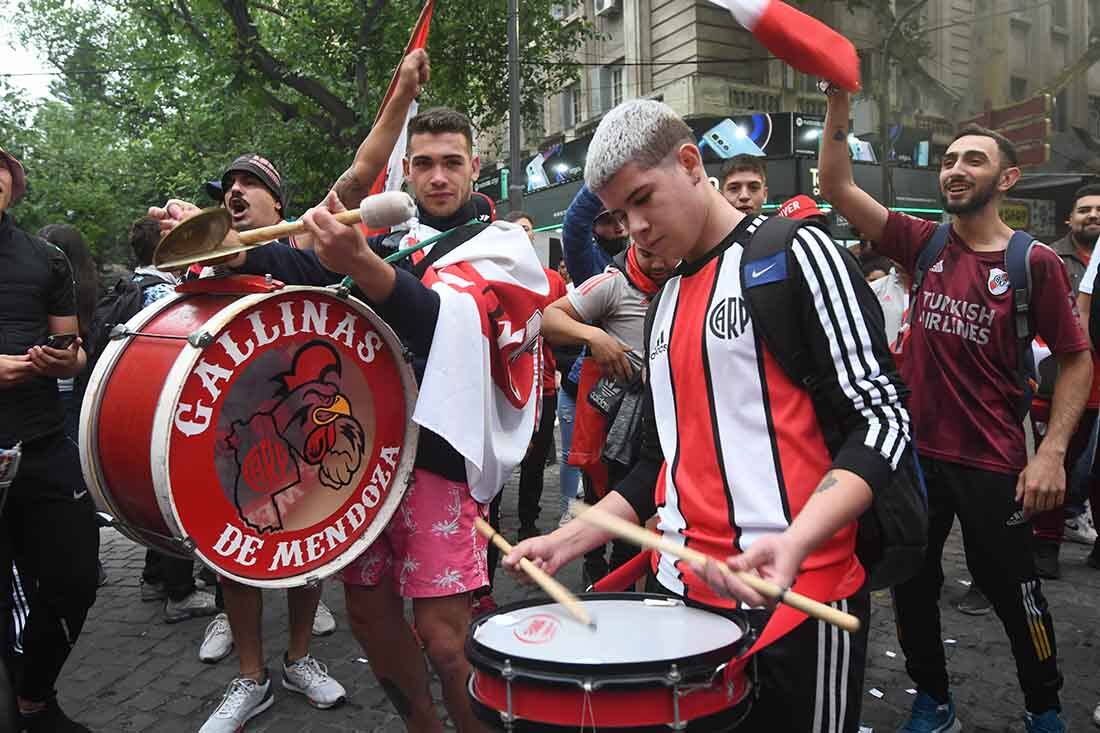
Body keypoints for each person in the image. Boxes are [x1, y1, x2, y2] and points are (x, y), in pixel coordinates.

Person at [506, 99, 911, 732]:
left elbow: (882, 420)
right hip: (681, 602)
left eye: (643, 199)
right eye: (619, 214)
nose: (634, 227)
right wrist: (572, 536)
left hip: (798, 603)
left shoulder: (793, 253)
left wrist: (797, 542)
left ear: (691, 163)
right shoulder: (663, 299)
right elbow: (660, 465)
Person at [818, 87, 1089, 733]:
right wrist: (837, 104)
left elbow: (1078, 358)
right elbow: (835, 183)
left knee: (1014, 593)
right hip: (915, 460)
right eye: (949, 160)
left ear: (1006, 177)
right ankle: (933, 698)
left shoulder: (1035, 262)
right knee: (911, 589)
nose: (956, 169)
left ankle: (1043, 705)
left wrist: (1050, 451)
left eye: (972, 159)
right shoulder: (923, 242)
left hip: (994, 462)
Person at [152, 155, 347, 732]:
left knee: (309, 547)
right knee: (237, 554)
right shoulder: (205, 259)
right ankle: (252, 676)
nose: (235, 191)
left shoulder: (302, 255)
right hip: (232, 430)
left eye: (250, 184)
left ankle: (299, 658)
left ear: (278, 205)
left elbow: (269, 259)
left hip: (301, 434)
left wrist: (226, 244)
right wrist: (189, 235)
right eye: (227, 187)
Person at [0, 147, 99, 733]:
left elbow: (74, 348)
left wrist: (61, 361)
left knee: (75, 579)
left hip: (39, 448)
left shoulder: (45, 259)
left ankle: (35, 696)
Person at [541, 237, 677, 582]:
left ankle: (622, 583)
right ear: (633, 244)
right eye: (648, 254)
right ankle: (596, 572)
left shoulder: (687, 281)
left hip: (666, 422)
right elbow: (549, 319)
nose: (659, 264)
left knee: (642, 509)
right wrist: (593, 337)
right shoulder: (612, 283)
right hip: (610, 420)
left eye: (666, 254)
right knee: (600, 494)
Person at [1030, 184, 1100, 577]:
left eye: (1099, 210)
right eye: (1084, 210)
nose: (1092, 215)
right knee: (1055, 461)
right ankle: (1045, 543)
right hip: (1063, 385)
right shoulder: (1049, 259)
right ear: (1069, 219)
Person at [504, 211, 568, 542]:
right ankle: (493, 519)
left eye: (527, 229)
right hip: (506, 387)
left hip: (543, 387)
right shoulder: (494, 276)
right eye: (513, 231)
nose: (521, 235)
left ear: (532, 236)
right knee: (501, 458)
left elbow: (562, 328)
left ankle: (529, 520)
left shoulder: (551, 280)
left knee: (537, 457)